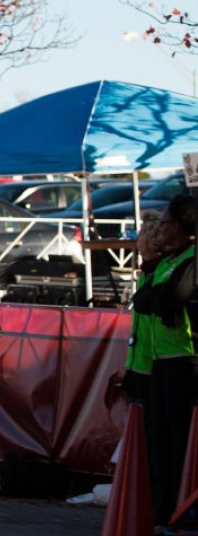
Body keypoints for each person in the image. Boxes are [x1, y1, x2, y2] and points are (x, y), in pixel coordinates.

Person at [128, 195, 198, 526]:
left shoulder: (190, 259)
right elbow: (143, 301)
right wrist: (158, 298)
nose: (160, 230)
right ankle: (162, 512)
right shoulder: (169, 263)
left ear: (181, 227)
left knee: (178, 441)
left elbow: (173, 298)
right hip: (157, 362)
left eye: (166, 223)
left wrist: (158, 298)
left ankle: (178, 513)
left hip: (183, 360)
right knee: (160, 444)